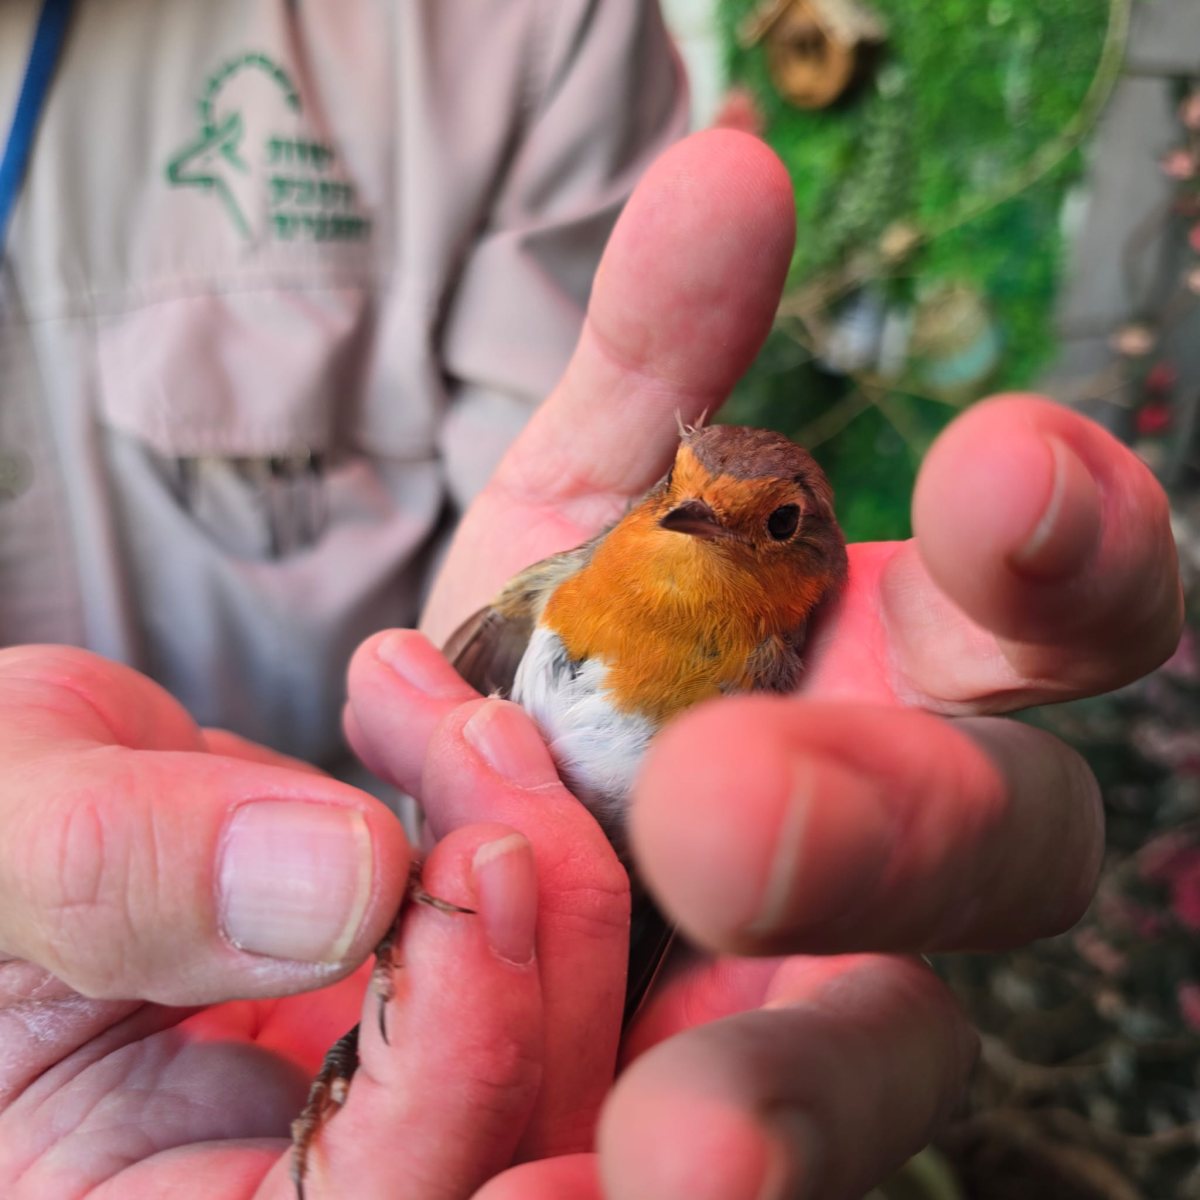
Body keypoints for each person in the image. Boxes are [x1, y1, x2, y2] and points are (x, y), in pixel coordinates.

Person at [0, 6, 1183, 1200]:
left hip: (493, 920)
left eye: (766, 526)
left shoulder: (522, 29)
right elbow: (464, 654)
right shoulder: (588, 574)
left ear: (807, 566)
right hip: (309, 920)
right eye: (674, 494)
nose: (691, 518)